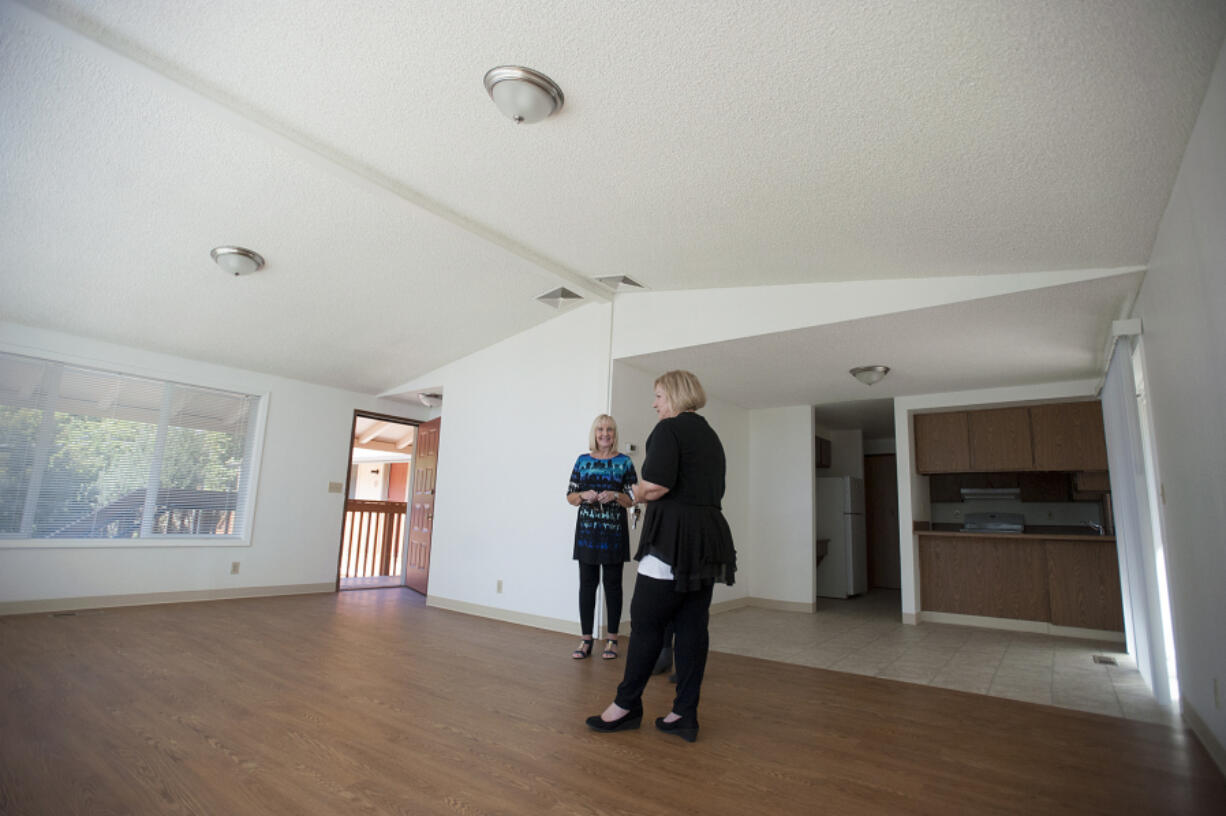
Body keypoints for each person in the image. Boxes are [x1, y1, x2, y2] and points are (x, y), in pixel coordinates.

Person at [585, 370, 736, 742]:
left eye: (657, 396)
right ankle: (684, 714)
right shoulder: (710, 435)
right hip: (708, 537)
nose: (654, 404)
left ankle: (626, 706)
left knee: (646, 622)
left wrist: (632, 493)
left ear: (673, 395)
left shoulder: (669, 430)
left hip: (674, 537)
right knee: (691, 626)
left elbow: (656, 486)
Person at [567, 414, 638, 660]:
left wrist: (616, 495)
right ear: (594, 434)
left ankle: (612, 640)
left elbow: (633, 500)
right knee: (587, 586)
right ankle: (586, 640)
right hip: (587, 533)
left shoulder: (624, 463)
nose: (604, 433)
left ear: (614, 433)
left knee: (613, 586)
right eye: (600, 429)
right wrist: (584, 494)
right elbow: (570, 497)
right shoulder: (582, 461)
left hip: (613, 535)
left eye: (609, 429)